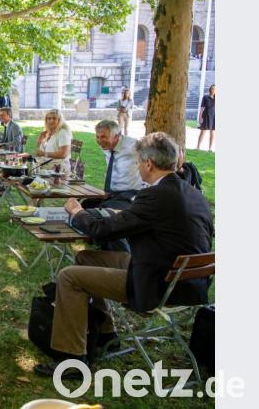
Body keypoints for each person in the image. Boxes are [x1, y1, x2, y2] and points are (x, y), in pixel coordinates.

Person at [34, 133, 213, 376]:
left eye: (138, 162)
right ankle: (107, 332)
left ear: (148, 163)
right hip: (186, 281)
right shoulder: (193, 193)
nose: (138, 166)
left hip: (157, 285)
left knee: (68, 277)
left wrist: (77, 212)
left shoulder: (155, 195)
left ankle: (72, 358)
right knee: (85, 258)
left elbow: (103, 230)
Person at [82, 120, 143, 210]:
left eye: (103, 137)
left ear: (116, 136)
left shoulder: (134, 146)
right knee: (83, 204)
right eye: (97, 137)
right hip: (112, 193)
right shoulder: (107, 146)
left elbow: (157, 159)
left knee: (103, 210)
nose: (99, 141)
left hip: (130, 193)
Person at [35, 109, 72, 174]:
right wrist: (40, 140)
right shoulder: (48, 132)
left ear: (59, 120)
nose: (51, 121)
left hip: (58, 169)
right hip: (47, 165)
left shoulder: (63, 133)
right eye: (49, 118)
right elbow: (39, 151)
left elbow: (63, 154)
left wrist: (44, 154)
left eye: (54, 118)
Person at [196, 84, 215, 151]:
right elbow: (202, 108)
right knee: (203, 132)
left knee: (212, 133)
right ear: (210, 89)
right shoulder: (205, 97)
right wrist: (200, 117)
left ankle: (210, 149)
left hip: (214, 117)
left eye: (214, 89)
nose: (213, 90)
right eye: (212, 89)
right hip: (206, 116)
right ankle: (198, 147)